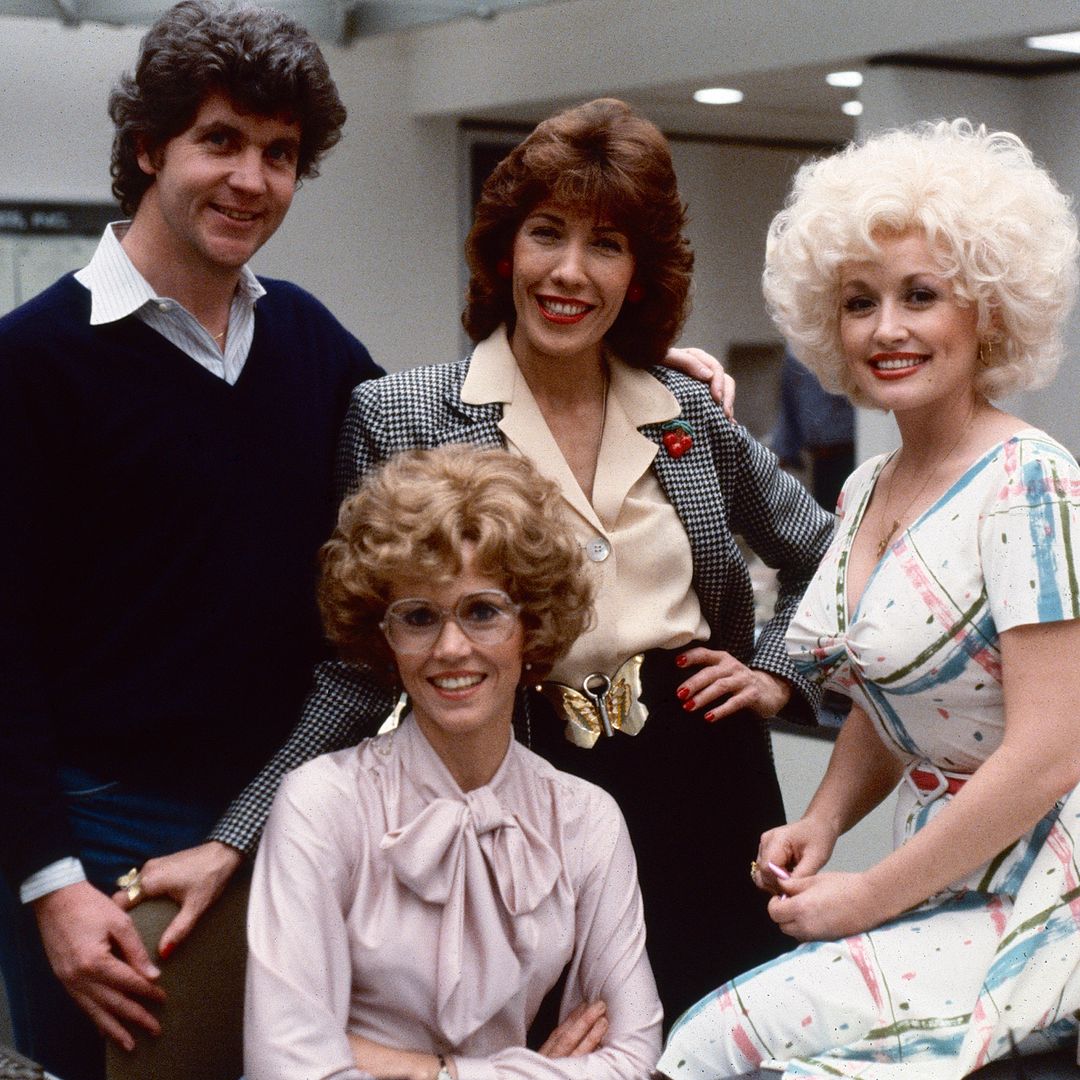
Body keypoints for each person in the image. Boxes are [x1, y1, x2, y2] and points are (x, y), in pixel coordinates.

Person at [234, 97, 835, 1025]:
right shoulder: (404, 416)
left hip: (710, 782)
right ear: (502, 251)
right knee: (561, 1044)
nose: (569, 271)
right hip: (524, 788)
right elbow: (358, 663)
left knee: (729, 1033)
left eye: (607, 244)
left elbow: (828, 553)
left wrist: (779, 675)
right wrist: (239, 837)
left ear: (639, 273)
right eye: (545, 234)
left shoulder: (686, 410)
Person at [0, 3, 383, 1076]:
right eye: (220, 141)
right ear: (147, 147)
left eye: (280, 154)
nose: (251, 180)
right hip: (102, 830)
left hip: (281, 816)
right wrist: (49, 880)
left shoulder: (306, 335)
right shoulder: (32, 364)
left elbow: (443, 439)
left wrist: (631, 371)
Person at [658, 118, 1080, 1080]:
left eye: (920, 296)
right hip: (940, 870)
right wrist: (823, 822)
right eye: (860, 302)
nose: (886, 328)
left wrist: (868, 897)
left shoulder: (1030, 482)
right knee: (701, 1046)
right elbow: (893, 705)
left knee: (724, 1050)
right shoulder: (865, 490)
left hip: (1047, 888)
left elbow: (1053, 751)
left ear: (988, 309)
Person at [245, 445, 663, 1079]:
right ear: (384, 636)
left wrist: (428, 1072)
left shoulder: (586, 819)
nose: (451, 648)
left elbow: (634, 1058)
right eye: (418, 617)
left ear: (533, 627)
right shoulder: (320, 803)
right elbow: (290, 1071)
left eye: (483, 611)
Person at [770, 348, 855, 512]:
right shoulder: (794, 353)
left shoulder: (842, 348)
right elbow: (789, 405)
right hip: (820, 458)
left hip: (851, 452)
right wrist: (782, 452)